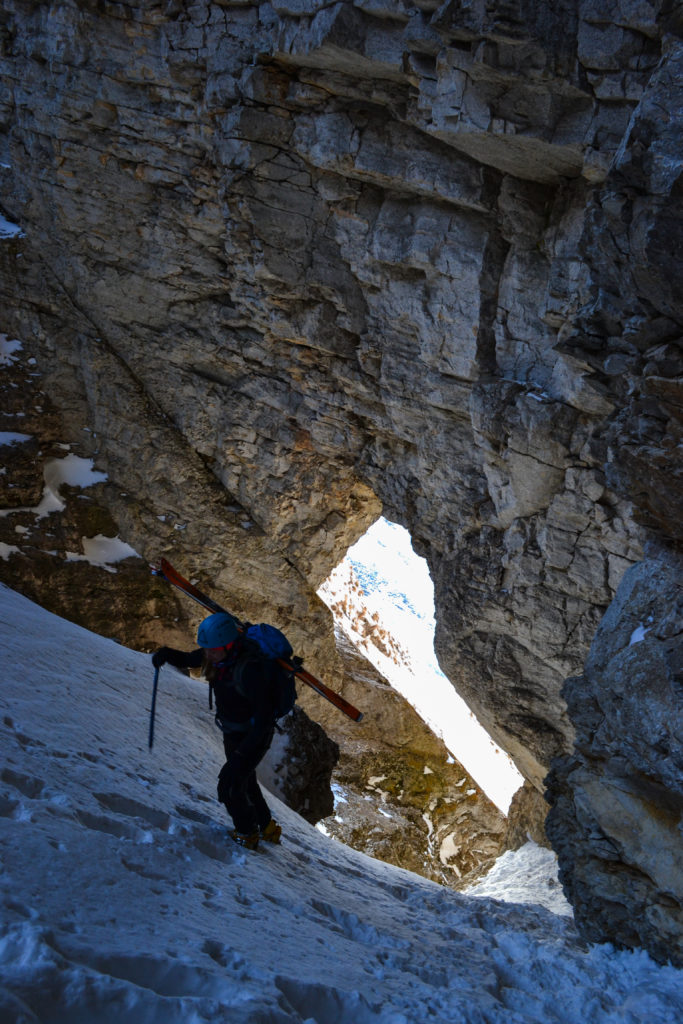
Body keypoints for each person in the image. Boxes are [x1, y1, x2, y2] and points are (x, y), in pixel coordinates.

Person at [152, 612, 282, 850]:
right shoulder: (218, 654)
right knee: (246, 780)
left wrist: (242, 754)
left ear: (229, 644)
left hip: (253, 737)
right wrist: (166, 654)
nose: (207, 654)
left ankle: (247, 833)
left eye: (212, 649)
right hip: (232, 731)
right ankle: (266, 827)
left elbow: (264, 720)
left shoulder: (250, 670)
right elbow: (192, 659)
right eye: (207, 649)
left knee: (229, 786)